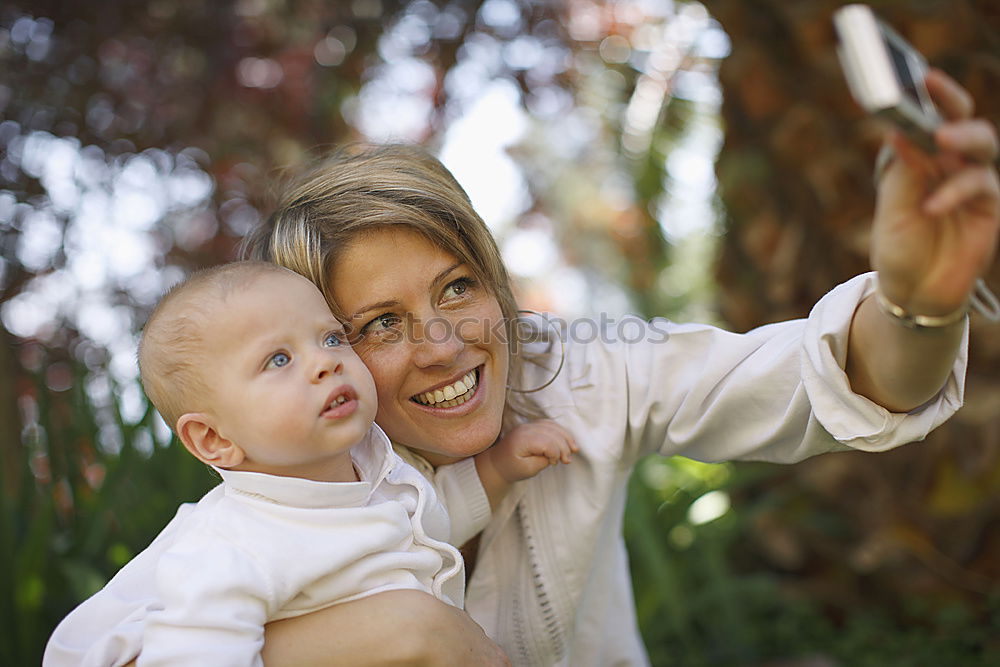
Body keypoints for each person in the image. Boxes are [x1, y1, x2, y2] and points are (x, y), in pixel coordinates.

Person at [48, 69, 999, 666]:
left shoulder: (580, 371)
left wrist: (920, 299)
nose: (446, 345)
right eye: (376, 323)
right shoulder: (277, 485)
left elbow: (827, 380)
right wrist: (401, 638)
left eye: (460, 287)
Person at [43, 261, 575, 667]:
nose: (325, 362)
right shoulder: (232, 545)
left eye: (331, 337)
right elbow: (198, 654)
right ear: (213, 439)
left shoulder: (371, 471)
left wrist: (500, 468)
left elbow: (424, 525)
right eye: (279, 359)